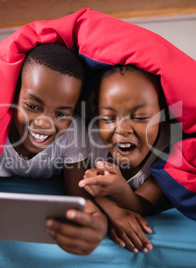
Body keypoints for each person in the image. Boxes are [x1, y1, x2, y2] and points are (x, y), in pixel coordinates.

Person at [0, 44, 108, 255]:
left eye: (62, 114)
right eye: (33, 107)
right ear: (13, 97)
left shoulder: (73, 131)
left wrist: (99, 221)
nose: (45, 124)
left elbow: (81, 199)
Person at [79, 64, 173, 254]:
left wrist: (120, 190)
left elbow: (145, 204)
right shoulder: (92, 138)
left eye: (139, 117)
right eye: (108, 118)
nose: (122, 130)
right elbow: (78, 187)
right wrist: (112, 211)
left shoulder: (168, 148)